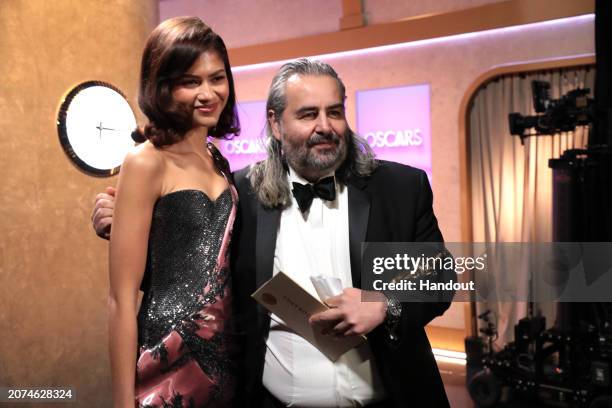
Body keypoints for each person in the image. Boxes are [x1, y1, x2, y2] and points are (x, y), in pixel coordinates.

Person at [94, 59, 454, 407]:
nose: (325, 126)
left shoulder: (399, 187)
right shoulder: (239, 196)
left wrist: (384, 305)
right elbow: (197, 281)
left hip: (393, 398)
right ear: (276, 124)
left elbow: (440, 276)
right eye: (308, 114)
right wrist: (134, 229)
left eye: (334, 111)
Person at [106, 17, 240, 408]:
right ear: (162, 88)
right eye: (190, 82)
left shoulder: (217, 159)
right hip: (165, 358)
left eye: (217, 78)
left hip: (226, 359)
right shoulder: (146, 161)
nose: (208, 93)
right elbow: (120, 298)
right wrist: (121, 402)